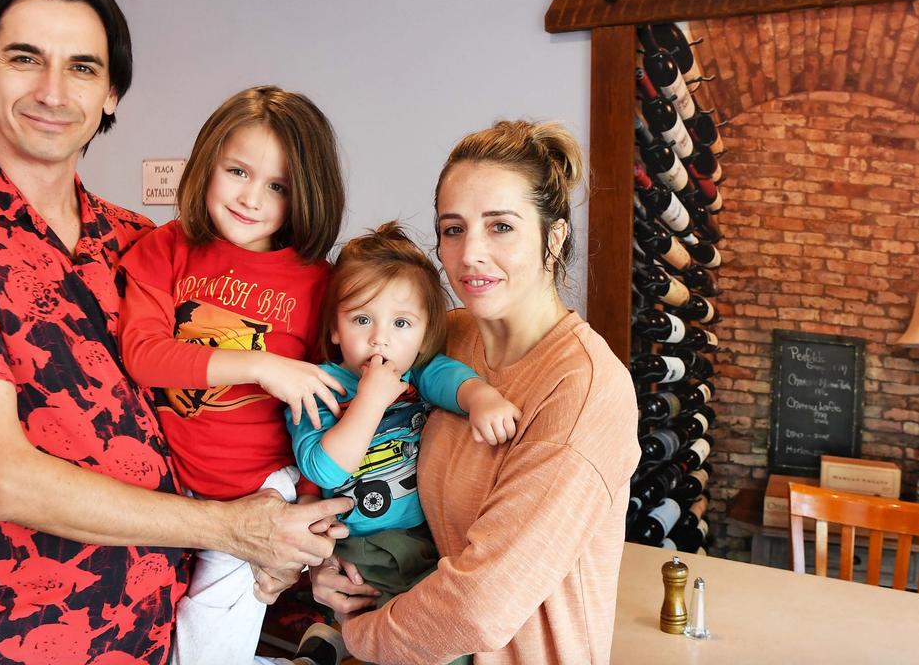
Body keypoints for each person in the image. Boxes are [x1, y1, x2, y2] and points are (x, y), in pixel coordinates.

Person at [0, 0, 348, 665]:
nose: (53, 91)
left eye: (84, 68)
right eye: (25, 59)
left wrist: (291, 546)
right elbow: (1, 479)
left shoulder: (140, 241)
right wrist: (232, 529)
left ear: (113, 92)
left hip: (164, 627)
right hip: (23, 637)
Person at [289, 120, 640, 663]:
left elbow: (479, 606)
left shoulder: (584, 390)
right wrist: (330, 568)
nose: (471, 252)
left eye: (500, 226)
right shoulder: (441, 338)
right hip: (403, 638)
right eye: (453, 229)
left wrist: (353, 636)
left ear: (554, 237)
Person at [116, 85, 352, 664]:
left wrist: (306, 526)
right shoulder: (166, 249)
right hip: (164, 488)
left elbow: (328, 409)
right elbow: (143, 354)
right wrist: (262, 366)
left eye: (278, 186)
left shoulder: (319, 283)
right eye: (238, 171)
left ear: (307, 197)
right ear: (206, 165)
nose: (252, 198)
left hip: (260, 494)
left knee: (205, 651)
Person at [286, 221, 520, 665]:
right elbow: (323, 468)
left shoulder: (418, 374)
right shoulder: (319, 387)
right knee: (423, 642)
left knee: (445, 626)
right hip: (364, 547)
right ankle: (336, 640)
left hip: (429, 538)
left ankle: (330, 643)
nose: (381, 337)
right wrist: (370, 399)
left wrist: (482, 398)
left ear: (424, 332)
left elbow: (452, 378)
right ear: (334, 329)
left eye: (401, 323)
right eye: (361, 319)